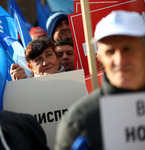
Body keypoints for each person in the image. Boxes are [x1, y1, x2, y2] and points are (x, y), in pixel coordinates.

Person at [54, 10, 145, 150]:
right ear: (99, 57)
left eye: (128, 49)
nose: (119, 60)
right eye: (110, 52)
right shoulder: (79, 122)